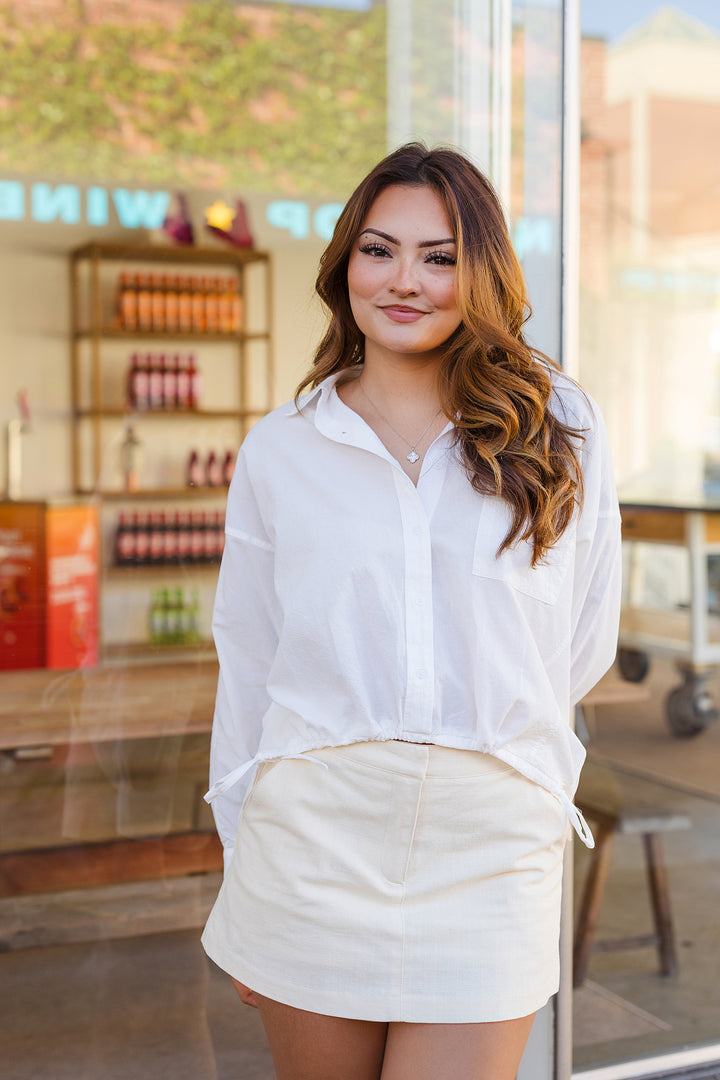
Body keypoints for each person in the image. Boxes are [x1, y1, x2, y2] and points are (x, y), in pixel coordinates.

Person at [201, 143, 621, 1080]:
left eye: (439, 257)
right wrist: (244, 856)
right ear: (344, 262)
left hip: (490, 840)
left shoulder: (562, 429)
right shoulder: (282, 449)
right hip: (312, 839)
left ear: (482, 273)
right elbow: (252, 658)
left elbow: (581, 639)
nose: (404, 281)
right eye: (378, 250)